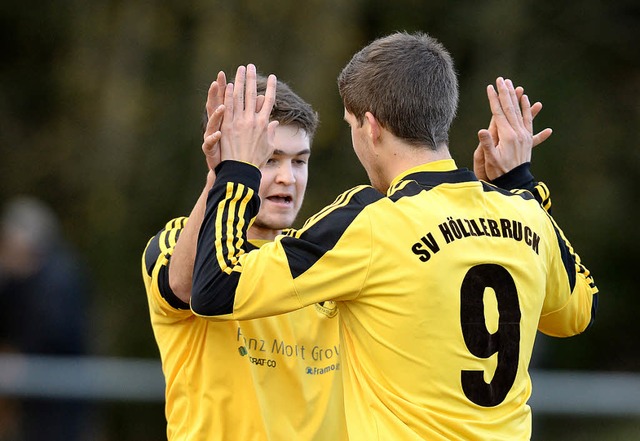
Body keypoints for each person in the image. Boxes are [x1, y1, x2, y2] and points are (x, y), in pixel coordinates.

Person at [190, 32, 598, 440]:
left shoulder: (372, 221)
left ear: (370, 126)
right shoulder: (525, 212)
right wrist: (519, 181)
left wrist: (237, 167)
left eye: (350, 125)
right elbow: (576, 315)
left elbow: (215, 287)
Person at [141, 72, 348, 441]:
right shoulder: (177, 240)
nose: (288, 178)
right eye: (269, 160)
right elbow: (184, 287)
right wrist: (226, 173)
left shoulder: (325, 258)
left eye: (299, 162)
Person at [0, 196, 90, 441]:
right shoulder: (25, 275)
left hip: (60, 390)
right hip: (44, 390)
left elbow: (55, 329)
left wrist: (22, 356)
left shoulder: (57, 277)